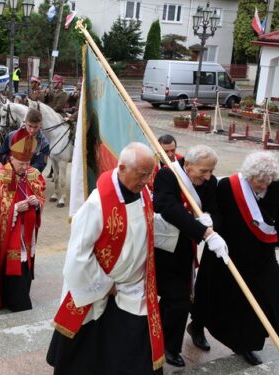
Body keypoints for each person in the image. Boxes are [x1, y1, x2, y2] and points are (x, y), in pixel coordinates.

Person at [46, 142, 165, 374]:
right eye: (141, 175)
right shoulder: (97, 204)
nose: (145, 181)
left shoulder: (143, 194)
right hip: (105, 288)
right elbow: (78, 255)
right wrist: (104, 284)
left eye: (148, 175)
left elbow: (143, 227)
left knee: (136, 352)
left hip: (135, 288)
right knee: (92, 351)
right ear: (121, 168)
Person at [190, 151, 279, 366]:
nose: (263, 185)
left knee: (266, 291)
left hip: (260, 255)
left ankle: (247, 343)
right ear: (249, 175)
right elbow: (215, 211)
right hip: (226, 251)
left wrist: (276, 239)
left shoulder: (277, 186)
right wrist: (210, 224)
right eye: (259, 181)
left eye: (267, 181)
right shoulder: (228, 186)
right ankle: (197, 326)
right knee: (211, 292)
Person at [153, 144, 227, 368]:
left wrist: (210, 221)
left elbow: (216, 210)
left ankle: (168, 345)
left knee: (178, 301)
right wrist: (201, 230)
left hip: (185, 250)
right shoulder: (168, 175)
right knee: (172, 300)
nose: (208, 176)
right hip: (162, 248)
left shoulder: (210, 183)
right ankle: (158, 342)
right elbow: (167, 207)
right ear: (188, 165)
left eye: (211, 171)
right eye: (203, 171)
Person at [0, 128, 45, 313]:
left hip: (26, 234)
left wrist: (37, 203)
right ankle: (13, 300)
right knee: (12, 265)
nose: (25, 167)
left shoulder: (32, 173)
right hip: (9, 234)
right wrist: (14, 209)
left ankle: (18, 297)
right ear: (11, 158)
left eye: (28, 162)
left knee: (25, 264)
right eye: (21, 163)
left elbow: (40, 191)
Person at [0, 108, 51, 173]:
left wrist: (25, 171)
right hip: (10, 173)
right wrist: (12, 162)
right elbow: (1, 154)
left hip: (30, 176)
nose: (32, 130)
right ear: (25, 122)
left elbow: (41, 164)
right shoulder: (11, 136)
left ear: (40, 124)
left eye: (35, 127)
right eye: (30, 126)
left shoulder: (44, 143)